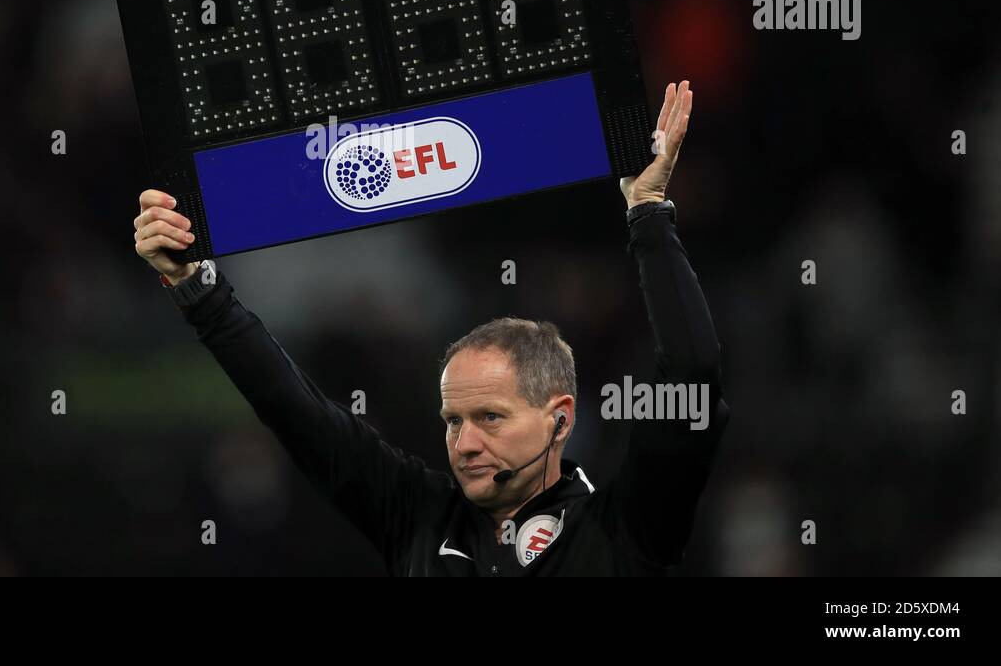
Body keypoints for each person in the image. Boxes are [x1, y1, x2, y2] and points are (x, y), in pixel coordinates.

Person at [134, 80, 729, 575]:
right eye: (453, 421)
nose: (464, 444)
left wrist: (648, 211)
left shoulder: (626, 529)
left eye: (490, 417)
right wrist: (198, 288)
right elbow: (298, 413)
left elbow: (693, 370)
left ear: (560, 419)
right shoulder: (417, 517)